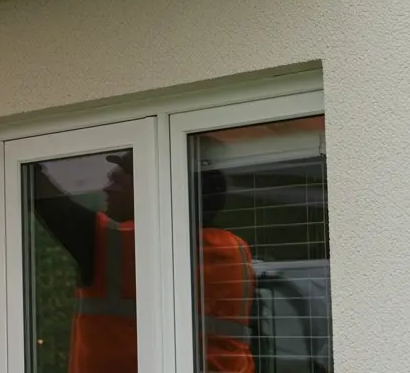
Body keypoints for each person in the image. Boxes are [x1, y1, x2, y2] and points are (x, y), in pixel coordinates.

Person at [29, 149, 255, 372]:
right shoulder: (236, 250)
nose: (106, 189)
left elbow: (50, 204)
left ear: (153, 191)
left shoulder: (118, 242)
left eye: (118, 181)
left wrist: (23, 155)